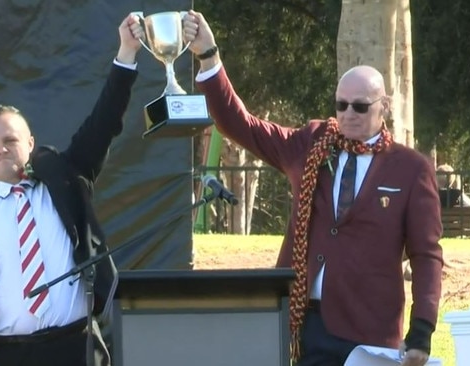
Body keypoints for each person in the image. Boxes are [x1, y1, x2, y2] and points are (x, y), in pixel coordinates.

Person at [182, 11, 443, 366]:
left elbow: (426, 256)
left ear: (383, 107)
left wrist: (422, 332)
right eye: (341, 104)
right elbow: (240, 125)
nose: (348, 113)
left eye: (361, 106)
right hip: (303, 325)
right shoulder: (312, 143)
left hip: (369, 333)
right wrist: (209, 55)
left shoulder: (411, 169)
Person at [0, 14, 143, 366]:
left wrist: (126, 52)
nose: (1, 148)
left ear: (30, 143)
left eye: (10, 140)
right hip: (6, 353)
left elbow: (104, 121)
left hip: (75, 348)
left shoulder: (66, 179)